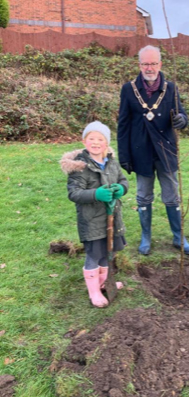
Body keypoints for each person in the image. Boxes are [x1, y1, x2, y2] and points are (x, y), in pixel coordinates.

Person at [117, 45, 189, 255]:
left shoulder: (171, 88)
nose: (149, 68)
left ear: (160, 64)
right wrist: (124, 155)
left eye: (153, 63)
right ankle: (146, 237)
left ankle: (179, 237)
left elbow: (182, 113)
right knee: (143, 196)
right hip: (140, 150)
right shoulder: (128, 89)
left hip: (165, 150)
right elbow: (123, 124)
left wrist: (182, 120)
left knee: (172, 196)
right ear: (139, 64)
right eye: (145, 63)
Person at [60, 121, 129, 308]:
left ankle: (104, 282)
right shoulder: (80, 167)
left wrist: (121, 188)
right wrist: (95, 194)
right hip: (91, 221)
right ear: (84, 141)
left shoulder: (112, 162)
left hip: (112, 218)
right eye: (92, 138)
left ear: (106, 143)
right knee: (94, 254)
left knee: (108, 252)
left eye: (100, 139)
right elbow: (73, 193)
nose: (96, 142)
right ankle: (94, 291)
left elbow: (123, 179)